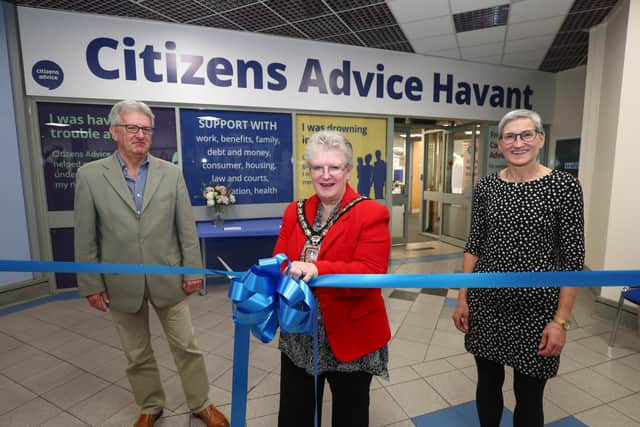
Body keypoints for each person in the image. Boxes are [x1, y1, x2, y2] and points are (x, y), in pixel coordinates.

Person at [74, 100, 229, 427]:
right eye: (132, 128)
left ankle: (201, 403)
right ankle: (150, 405)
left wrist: (192, 271)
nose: (140, 135)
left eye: (145, 129)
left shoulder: (170, 174)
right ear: (114, 132)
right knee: (136, 353)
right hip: (120, 282)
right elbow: (86, 236)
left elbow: (186, 227)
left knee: (187, 346)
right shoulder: (90, 176)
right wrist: (91, 283)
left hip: (168, 279)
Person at [452, 109, 585, 427]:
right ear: (500, 143)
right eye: (510, 136)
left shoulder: (564, 188)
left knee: (529, 396)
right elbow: (475, 245)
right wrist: (462, 298)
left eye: (526, 134)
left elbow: (573, 259)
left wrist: (561, 321)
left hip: (537, 309)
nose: (518, 142)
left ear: (540, 139)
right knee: (487, 386)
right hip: (487, 304)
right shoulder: (487, 188)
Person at [274, 131, 391, 427]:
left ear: (348, 170)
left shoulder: (371, 213)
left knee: (349, 417)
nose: (326, 176)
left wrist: (317, 269)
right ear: (309, 170)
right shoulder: (294, 211)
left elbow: (371, 269)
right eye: (318, 168)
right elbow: (280, 261)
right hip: (299, 334)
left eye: (334, 167)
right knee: (294, 414)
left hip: (351, 334)